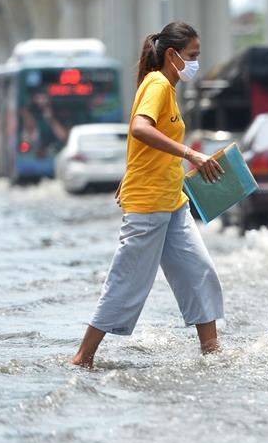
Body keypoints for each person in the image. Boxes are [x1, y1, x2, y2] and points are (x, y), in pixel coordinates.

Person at [72, 21, 225, 368]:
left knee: (199, 272)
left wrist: (131, 170)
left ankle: (212, 353)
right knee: (127, 282)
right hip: (149, 204)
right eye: (192, 56)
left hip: (173, 203)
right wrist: (191, 153)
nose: (196, 63)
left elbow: (143, 143)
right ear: (172, 55)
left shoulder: (167, 89)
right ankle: (82, 358)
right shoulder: (157, 84)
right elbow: (140, 128)